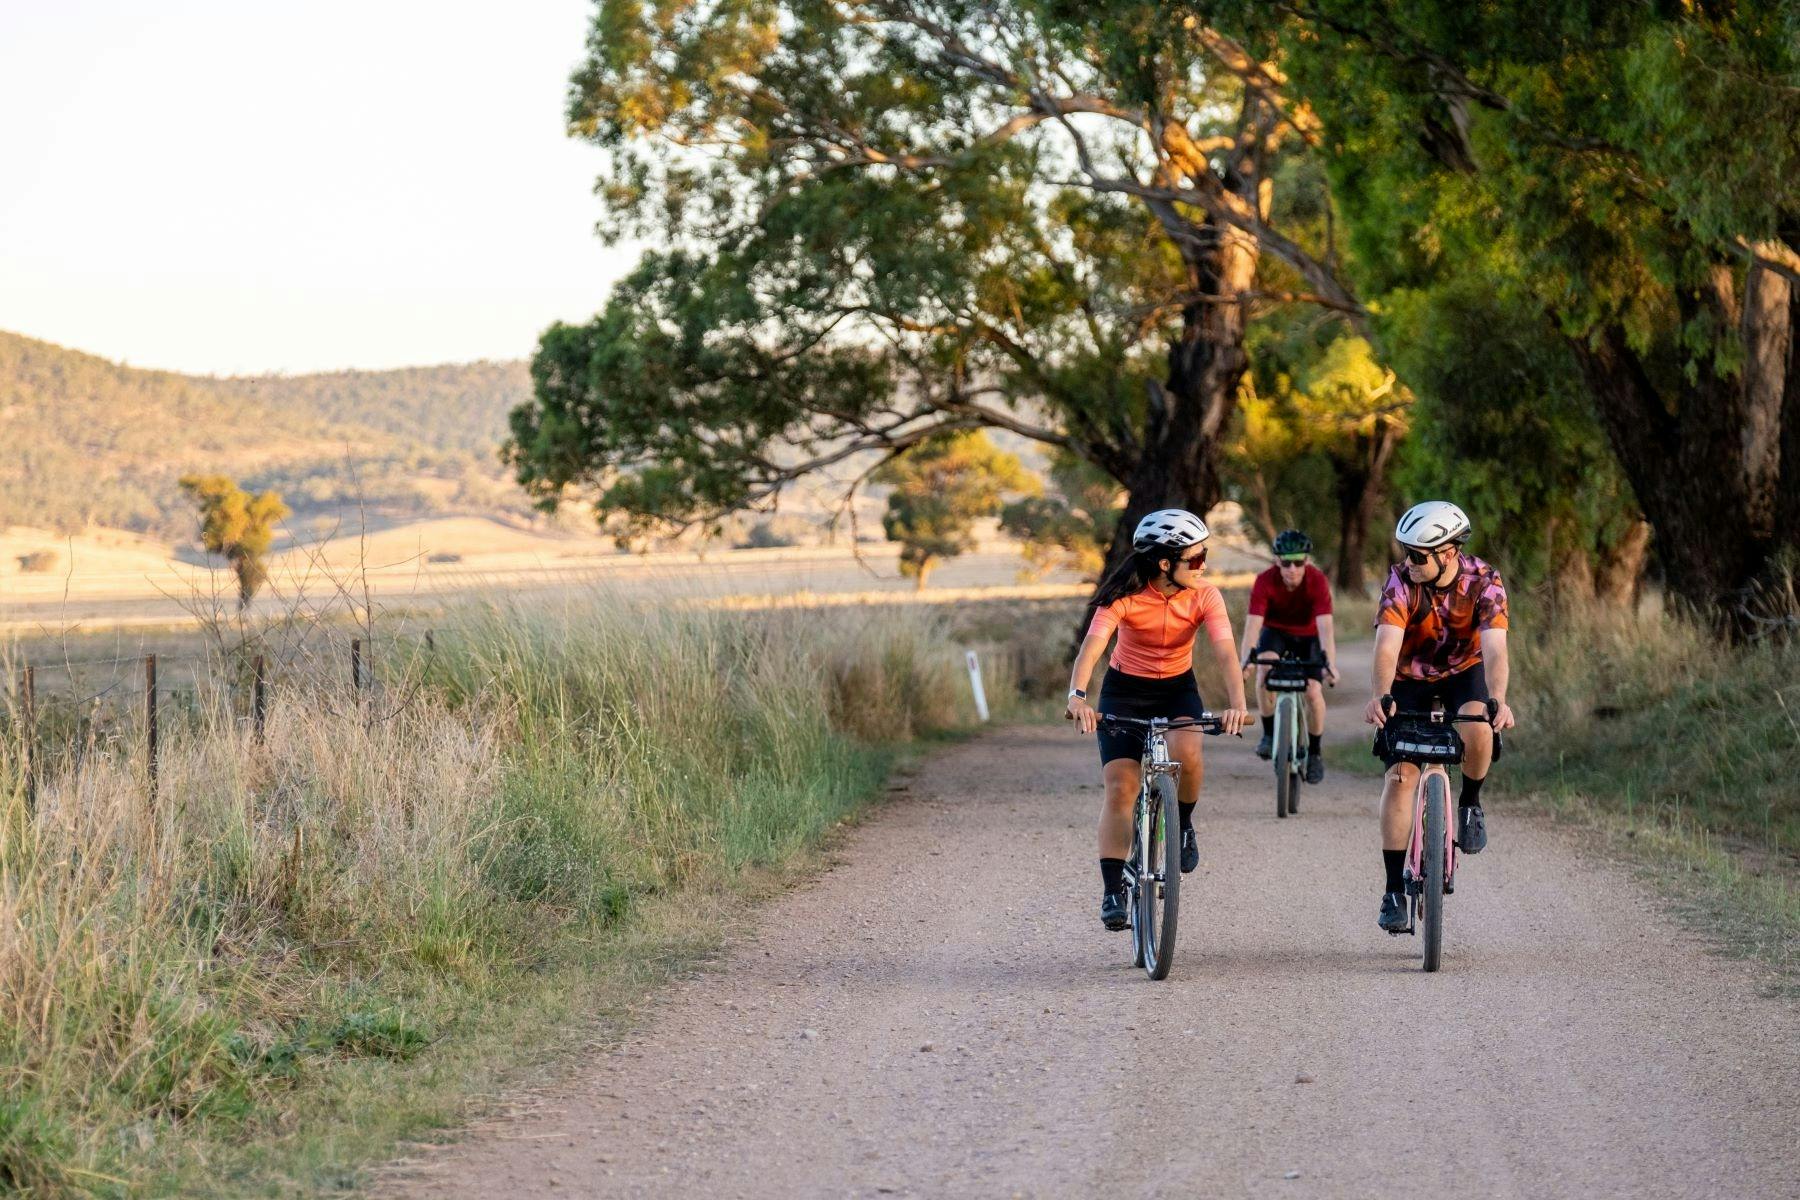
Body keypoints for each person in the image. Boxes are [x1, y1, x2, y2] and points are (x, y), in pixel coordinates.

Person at [1066, 508, 1252, 931]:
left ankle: (1183, 824)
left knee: (1188, 750)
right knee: (1121, 786)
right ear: (1165, 562)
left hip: (1176, 689)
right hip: (1124, 692)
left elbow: (1225, 652)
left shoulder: (1205, 595)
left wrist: (1238, 704)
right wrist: (1077, 696)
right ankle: (1113, 890)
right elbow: (1092, 647)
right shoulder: (1124, 595)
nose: (1204, 566)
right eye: (1197, 558)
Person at [1363, 500, 1517, 934]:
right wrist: (1381, 695)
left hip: (1464, 673)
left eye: (1417, 555)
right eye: (1405, 552)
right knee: (1401, 777)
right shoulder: (1400, 580)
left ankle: (1470, 803)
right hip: (1408, 676)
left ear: (1448, 553)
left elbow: (1496, 649)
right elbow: (1387, 644)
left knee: (1478, 720)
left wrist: (1498, 699)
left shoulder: (1484, 581)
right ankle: (1394, 889)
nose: (1407, 562)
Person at [1238, 529, 1339, 783]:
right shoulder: (1264, 581)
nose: (1292, 568)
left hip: (1310, 636)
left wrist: (1330, 664)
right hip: (1276, 633)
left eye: (1298, 562)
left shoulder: (1317, 581)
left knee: (1313, 692)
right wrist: (1246, 661)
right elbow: (1253, 625)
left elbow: (1326, 627)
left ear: (1306, 561)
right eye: (1286, 562)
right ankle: (1270, 733)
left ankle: (1314, 753)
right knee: (1264, 671)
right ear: (1276, 561)